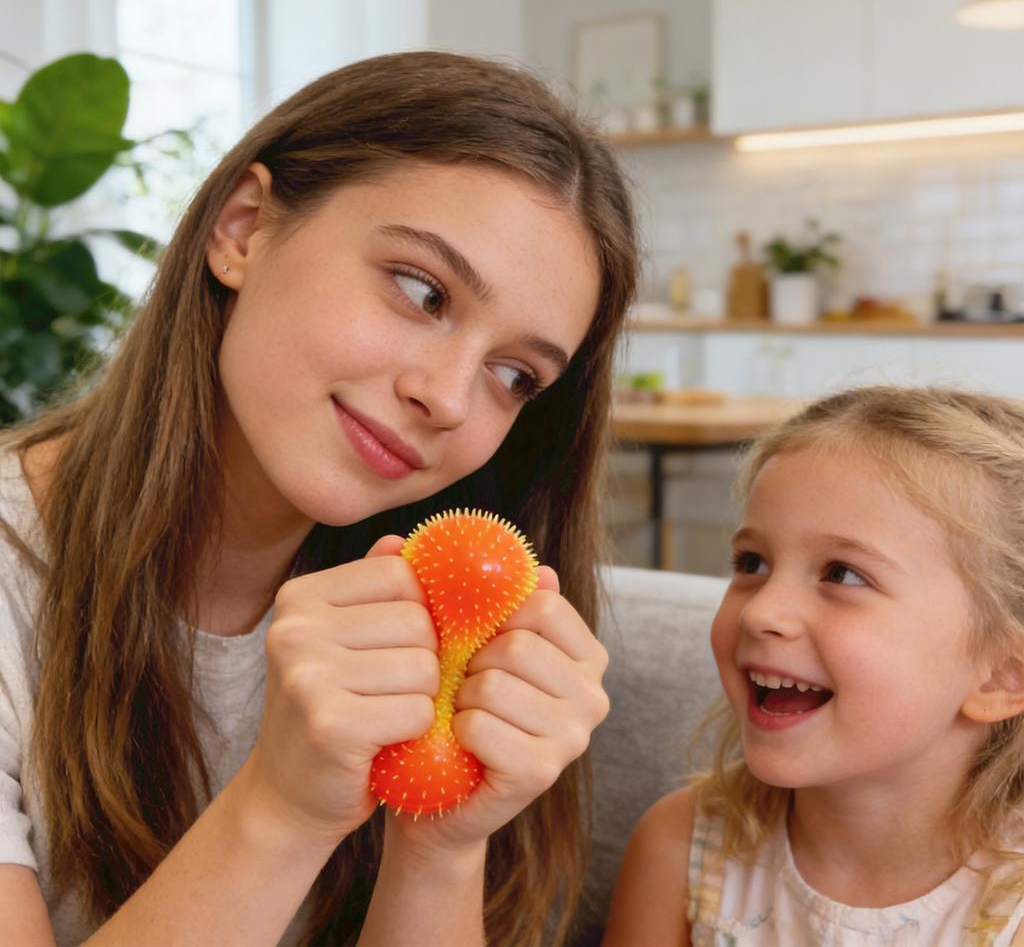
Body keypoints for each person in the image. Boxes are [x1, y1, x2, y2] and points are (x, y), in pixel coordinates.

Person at [0, 50, 640, 947]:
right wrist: (283, 807)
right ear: (244, 228)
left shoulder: (441, 624)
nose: (450, 398)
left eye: (513, 376)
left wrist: (442, 847)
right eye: (422, 291)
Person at [604, 385, 1024, 946]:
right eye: (752, 562)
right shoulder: (680, 848)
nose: (760, 611)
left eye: (843, 574)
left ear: (1002, 675)